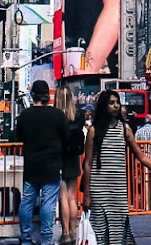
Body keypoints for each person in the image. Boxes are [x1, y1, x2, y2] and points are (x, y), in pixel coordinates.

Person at [84, 90, 151, 245]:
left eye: (117, 102)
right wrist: (87, 195)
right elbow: (87, 164)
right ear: (104, 106)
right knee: (100, 233)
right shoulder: (93, 131)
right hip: (98, 189)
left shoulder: (125, 129)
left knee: (119, 233)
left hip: (118, 190)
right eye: (111, 103)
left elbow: (142, 157)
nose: (116, 106)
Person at [15, 81, 67, 245]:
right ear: (48, 95)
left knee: (27, 202)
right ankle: (46, 239)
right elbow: (66, 137)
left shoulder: (25, 115)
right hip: (51, 165)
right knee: (48, 204)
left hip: (31, 164)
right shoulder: (58, 115)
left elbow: (19, 137)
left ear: (33, 95)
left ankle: (25, 237)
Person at [58, 99, 86, 244]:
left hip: (60, 158)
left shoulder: (57, 116)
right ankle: (74, 231)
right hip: (74, 158)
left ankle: (66, 233)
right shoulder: (78, 115)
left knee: (63, 197)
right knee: (71, 196)